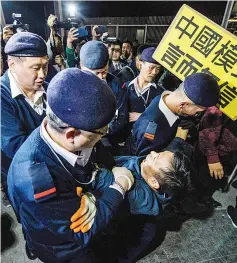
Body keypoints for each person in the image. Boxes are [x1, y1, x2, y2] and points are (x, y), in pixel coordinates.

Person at [8, 68, 135, 263]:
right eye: (101, 132)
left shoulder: (64, 126)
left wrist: (110, 168)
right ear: (72, 135)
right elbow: (83, 231)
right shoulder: (36, 176)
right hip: (63, 249)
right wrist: (119, 186)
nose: (103, 136)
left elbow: (93, 145)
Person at [1, 32, 49, 206]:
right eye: (35, 68)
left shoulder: (48, 89)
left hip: (52, 172)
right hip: (22, 180)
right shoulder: (2, 97)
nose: (43, 74)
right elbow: (16, 146)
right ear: (12, 65)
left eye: (45, 66)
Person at [132, 73, 220, 156]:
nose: (196, 114)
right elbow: (145, 163)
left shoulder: (166, 98)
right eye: (197, 112)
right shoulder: (150, 129)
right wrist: (178, 140)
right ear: (183, 105)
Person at [79, 40, 129, 145]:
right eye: (96, 73)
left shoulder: (116, 85)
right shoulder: (72, 85)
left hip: (107, 138)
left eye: (104, 71)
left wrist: (101, 132)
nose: (101, 77)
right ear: (82, 66)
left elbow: (122, 117)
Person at [194, 106, 237, 208]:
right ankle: (198, 202)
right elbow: (208, 125)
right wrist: (212, 158)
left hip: (229, 150)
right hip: (213, 151)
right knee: (202, 179)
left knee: (214, 179)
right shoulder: (231, 95)